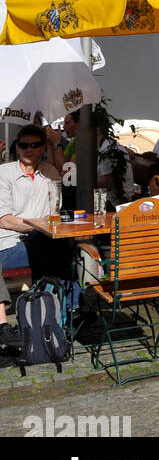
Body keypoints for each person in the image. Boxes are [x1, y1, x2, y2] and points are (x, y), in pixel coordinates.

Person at [0, 124, 67, 346]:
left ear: (42, 148)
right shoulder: (5, 173)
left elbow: (55, 211)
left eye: (35, 145)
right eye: (23, 145)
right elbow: (4, 220)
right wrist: (38, 226)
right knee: (54, 250)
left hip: (40, 238)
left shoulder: (50, 173)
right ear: (17, 148)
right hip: (9, 242)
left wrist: (55, 142)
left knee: (69, 248)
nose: (29, 149)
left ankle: (67, 311)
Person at [63, 108, 136, 203]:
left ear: (96, 130)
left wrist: (80, 182)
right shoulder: (100, 148)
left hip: (115, 204)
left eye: (83, 129)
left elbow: (105, 183)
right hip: (105, 201)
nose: (80, 133)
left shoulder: (107, 150)